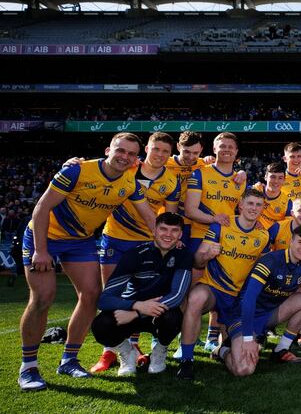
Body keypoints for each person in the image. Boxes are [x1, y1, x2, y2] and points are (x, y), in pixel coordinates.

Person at [19, 133, 154, 391]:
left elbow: (149, 217)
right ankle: (28, 367)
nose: (124, 157)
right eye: (120, 150)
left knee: (92, 295)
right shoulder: (77, 171)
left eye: (130, 154)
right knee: (43, 298)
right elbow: (41, 208)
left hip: (80, 241)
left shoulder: (129, 183)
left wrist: (169, 241)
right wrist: (41, 250)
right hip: (44, 235)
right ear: (107, 150)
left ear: (136, 160)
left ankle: (69, 360)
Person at [91, 132, 181, 373]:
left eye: (165, 151)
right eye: (156, 149)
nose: (160, 154)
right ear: (147, 149)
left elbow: (169, 218)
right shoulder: (126, 166)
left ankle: (134, 347)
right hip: (115, 238)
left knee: (141, 295)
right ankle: (110, 352)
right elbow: (98, 168)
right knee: (111, 293)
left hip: (145, 244)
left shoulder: (171, 181)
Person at [176, 189, 270, 380]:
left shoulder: (263, 236)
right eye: (250, 203)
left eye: (258, 205)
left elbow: (261, 273)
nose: (254, 208)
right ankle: (186, 360)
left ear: (263, 209)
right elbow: (197, 261)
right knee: (196, 297)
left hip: (237, 302)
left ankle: (221, 351)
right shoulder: (221, 226)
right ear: (241, 205)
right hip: (212, 290)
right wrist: (206, 255)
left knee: (244, 369)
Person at [90, 212, 191, 376]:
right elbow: (105, 299)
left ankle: (159, 351)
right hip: (129, 311)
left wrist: (137, 313)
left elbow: (178, 295)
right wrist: (135, 306)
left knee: (175, 318)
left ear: (180, 234)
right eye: (163, 229)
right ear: (154, 231)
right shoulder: (135, 255)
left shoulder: (184, 256)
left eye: (174, 230)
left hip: (157, 314)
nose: (168, 234)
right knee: (101, 325)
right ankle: (127, 352)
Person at [224, 225, 301, 372]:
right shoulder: (271, 261)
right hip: (242, 316)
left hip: (267, 316)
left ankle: (281, 349)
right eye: (300, 242)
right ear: (291, 241)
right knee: (244, 369)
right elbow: (248, 299)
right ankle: (222, 351)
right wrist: (247, 338)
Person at [184, 132, 246, 352]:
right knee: (192, 292)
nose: (226, 149)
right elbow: (190, 210)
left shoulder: (240, 179)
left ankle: (213, 337)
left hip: (228, 241)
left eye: (231, 146)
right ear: (214, 148)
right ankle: (184, 342)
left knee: (222, 288)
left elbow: (243, 211)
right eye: (222, 146)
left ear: (237, 152)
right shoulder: (199, 174)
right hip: (199, 236)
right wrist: (214, 219)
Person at [252, 162, 292, 230]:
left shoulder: (288, 203)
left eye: (280, 178)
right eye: (273, 177)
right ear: (265, 177)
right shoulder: (255, 189)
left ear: (284, 180)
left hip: (271, 238)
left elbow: (287, 227)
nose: (276, 181)